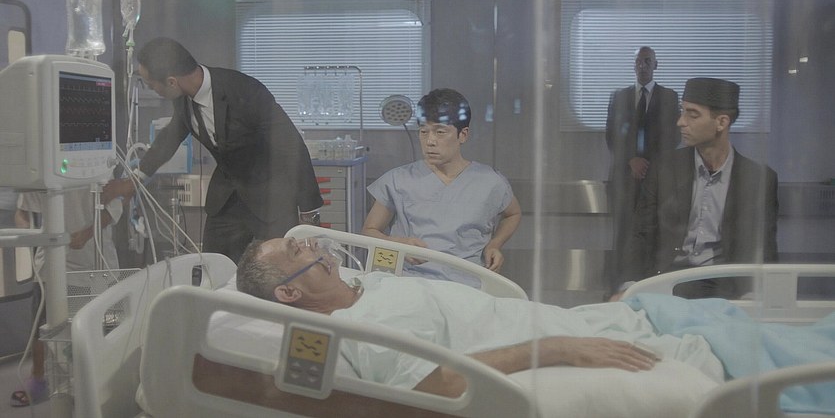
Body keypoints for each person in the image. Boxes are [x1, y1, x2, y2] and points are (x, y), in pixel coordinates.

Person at [236, 237, 728, 398]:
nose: (310, 244)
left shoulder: (361, 284)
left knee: (698, 316)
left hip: (562, 318)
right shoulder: (364, 328)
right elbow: (436, 384)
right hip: (554, 339)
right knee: (723, 352)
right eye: (296, 250)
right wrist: (556, 349)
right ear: (289, 292)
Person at [103, 37, 323, 263]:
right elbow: (170, 138)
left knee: (278, 269)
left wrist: (309, 213)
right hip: (227, 198)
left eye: (151, 85)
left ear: (171, 82)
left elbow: (291, 145)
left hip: (271, 197)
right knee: (214, 266)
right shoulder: (183, 99)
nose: (152, 89)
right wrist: (135, 180)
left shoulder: (245, 91)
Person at [612, 77, 778, 300]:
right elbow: (641, 234)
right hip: (667, 279)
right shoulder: (664, 169)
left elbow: (763, 246)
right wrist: (630, 285)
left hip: (724, 285)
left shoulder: (757, 179)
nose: (681, 122)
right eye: (682, 111)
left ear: (721, 122)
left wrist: (753, 294)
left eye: (693, 114)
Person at [362, 88, 521, 285]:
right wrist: (398, 244)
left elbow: (513, 214)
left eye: (440, 132)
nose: (430, 141)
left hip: (466, 283)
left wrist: (495, 244)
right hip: (408, 281)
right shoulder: (397, 180)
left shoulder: (490, 182)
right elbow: (369, 231)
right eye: (423, 132)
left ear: (463, 135)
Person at [11, 187, 122, 407]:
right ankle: (38, 379)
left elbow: (114, 209)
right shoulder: (42, 173)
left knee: (107, 327)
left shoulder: (102, 171)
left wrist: (87, 234)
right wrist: (26, 232)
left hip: (97, 260)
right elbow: (23, 211)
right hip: (52, 262)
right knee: (42, 326)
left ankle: (107, 380)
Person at [605, 47, 680, 292]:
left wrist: (650, 166)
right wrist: (631, 159)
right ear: (633, 65)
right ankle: (618, 287)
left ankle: (648, 285)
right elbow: (612, 135)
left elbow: (673, 137)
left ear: (656, 65)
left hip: (657, 179)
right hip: (624, 179)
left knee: (653, 231)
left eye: (647, 61)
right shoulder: (619, 97)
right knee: (623, 231)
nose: (642, 66)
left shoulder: (669, 97)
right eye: (638, 61)